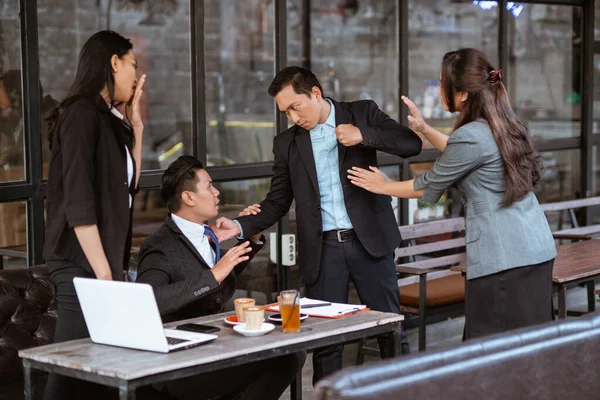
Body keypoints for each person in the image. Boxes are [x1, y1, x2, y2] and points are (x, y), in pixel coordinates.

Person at [213, 66, 422, 384]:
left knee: (390, 332)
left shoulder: (361, 112)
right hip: (324, 250)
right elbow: (277, 202)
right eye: (285, 112)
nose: (293, 118)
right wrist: (239, 226)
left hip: (371, 241)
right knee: (327, 343)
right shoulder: (287, 143)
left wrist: (363, 135)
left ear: (315, 93)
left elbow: (410, 145)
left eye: (295, 107)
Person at [347, 48, 557, 340]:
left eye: (442, 83)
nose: (439, 90)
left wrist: (382, 186)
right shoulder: (503, 123)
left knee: (492, 349)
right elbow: (465, 152)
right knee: (530, 344)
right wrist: (424, 129)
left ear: (462, 94)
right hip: (535, 249)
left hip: (503, 258)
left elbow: (428, 184)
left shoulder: (472, 135)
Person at [136, 155, 305, 400]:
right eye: (209, 186)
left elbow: (220, 276)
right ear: (188, 197)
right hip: (181, 363)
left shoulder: (206, 234)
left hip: (217, 345)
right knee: (283, 360)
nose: (217, 193)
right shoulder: (160, 246)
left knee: (290, 353)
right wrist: (213, 275)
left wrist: (251, 239)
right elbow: (149, 300)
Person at [43, 30, 146, 400]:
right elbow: (78, 200)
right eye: (132, 65)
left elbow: (129, 186)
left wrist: (136, 127)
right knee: (70, 365)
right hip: (78, 259)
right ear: (113, 61)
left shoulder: (108, 118)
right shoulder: (81, 112)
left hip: (100, 262)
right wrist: (104, 272)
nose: (136, 76)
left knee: (102, 368)